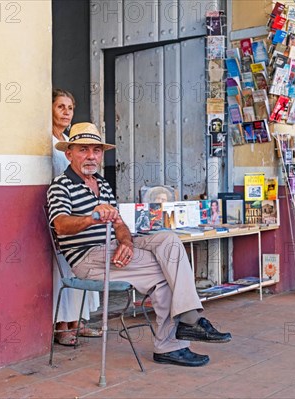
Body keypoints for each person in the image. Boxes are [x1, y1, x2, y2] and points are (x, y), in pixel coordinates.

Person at [47, 122, 232, 367]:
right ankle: (178, 335)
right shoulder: (61, 185)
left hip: (112, 247)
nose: (91, 156)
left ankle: (187, 322)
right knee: (164, 274)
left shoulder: (101, 184)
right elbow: (60, 225)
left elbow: (120, 224)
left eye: (96, 150)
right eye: (83, 150)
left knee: (169, 240)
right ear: (69, 153)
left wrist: (127, 243)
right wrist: (92, 217)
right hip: (87, 258)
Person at [51, 89, 100, 346]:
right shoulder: (49, 143)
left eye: (70, 107)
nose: (66, 112)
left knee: (83, 265)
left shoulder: (72, 141)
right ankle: (62, 325)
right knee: (63, 269)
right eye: (61, 107)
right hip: (63, 212)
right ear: (50, 109)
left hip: (82, 211)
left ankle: (79, 321)